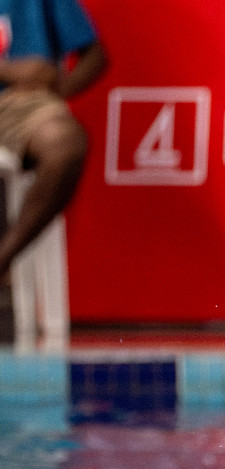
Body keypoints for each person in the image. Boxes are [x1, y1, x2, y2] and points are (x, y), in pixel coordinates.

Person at [0, 0, 106, 274]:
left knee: (65, 143)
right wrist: (21, 71)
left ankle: (3, 257)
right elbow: (37, 70)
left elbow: (95, 56)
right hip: (20, 81)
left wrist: (52, 90)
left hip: (17, 102)